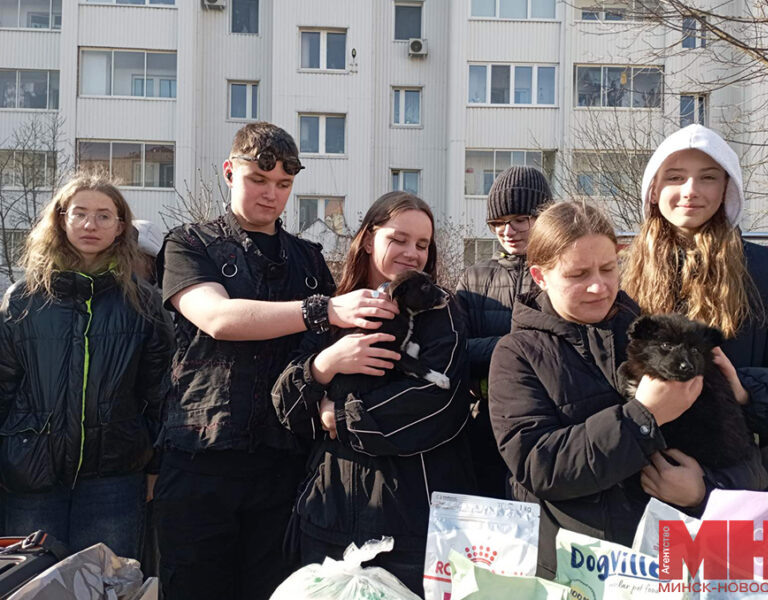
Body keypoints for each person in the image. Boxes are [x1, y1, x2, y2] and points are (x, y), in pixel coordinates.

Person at [155, 122, 398, 599]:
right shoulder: (189, 243)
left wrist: (330, 397)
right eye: (258, 180)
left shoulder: (307, 259)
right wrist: (321, 309)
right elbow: (219, 319)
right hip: (202, 456)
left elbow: (324, 351)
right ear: (230, 172)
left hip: (282, 462)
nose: (271, 194)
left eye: (284, 184)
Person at [488, 202, 767, 579]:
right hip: (575, 570)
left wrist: (704, 490)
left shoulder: (663, 339)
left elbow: (745, 460)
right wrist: (642, 418)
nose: (599, 286)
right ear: (540, 276)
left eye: (608, 268)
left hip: (668, 564)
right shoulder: (517, 354)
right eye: (578, 274)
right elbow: (539, 466)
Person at [272, 191, 475, 596]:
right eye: (398, 239)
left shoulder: (438, 310)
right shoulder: (335, 307)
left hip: (407, 524)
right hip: (326, 515)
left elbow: (437, 402)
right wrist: (326, 364)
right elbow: (285, 405)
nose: (412, 253)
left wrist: (338, 415)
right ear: (368, 239)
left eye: (422, 244)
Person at [0, 173, 174, 559]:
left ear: (120, 226)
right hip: (29, 475)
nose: (90, 224)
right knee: (30, 582)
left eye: (103, 215)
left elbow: (160, 394)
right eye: (79, 213)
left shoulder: (143, 303)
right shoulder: (23, 300)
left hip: (113, 478)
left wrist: (156, 466)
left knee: (105, 582)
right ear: (61, 220)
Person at [622, 124, 768, 496]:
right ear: (653, 189)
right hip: (640, 484)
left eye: (708, 177)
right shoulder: (621, 274)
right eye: (675, 177)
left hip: (745, 488)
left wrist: (746, 391)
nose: (690, 190)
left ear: (726, 188)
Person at [456, 165, 552, 498]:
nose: (507, 231)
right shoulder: (474, 277)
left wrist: (492, 352)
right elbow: (455, 350)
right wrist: (517, 348)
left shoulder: (562, 273)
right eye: (497, 222)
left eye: (519, 219)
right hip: (484, 425)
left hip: (548, 424)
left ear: (543, 217)